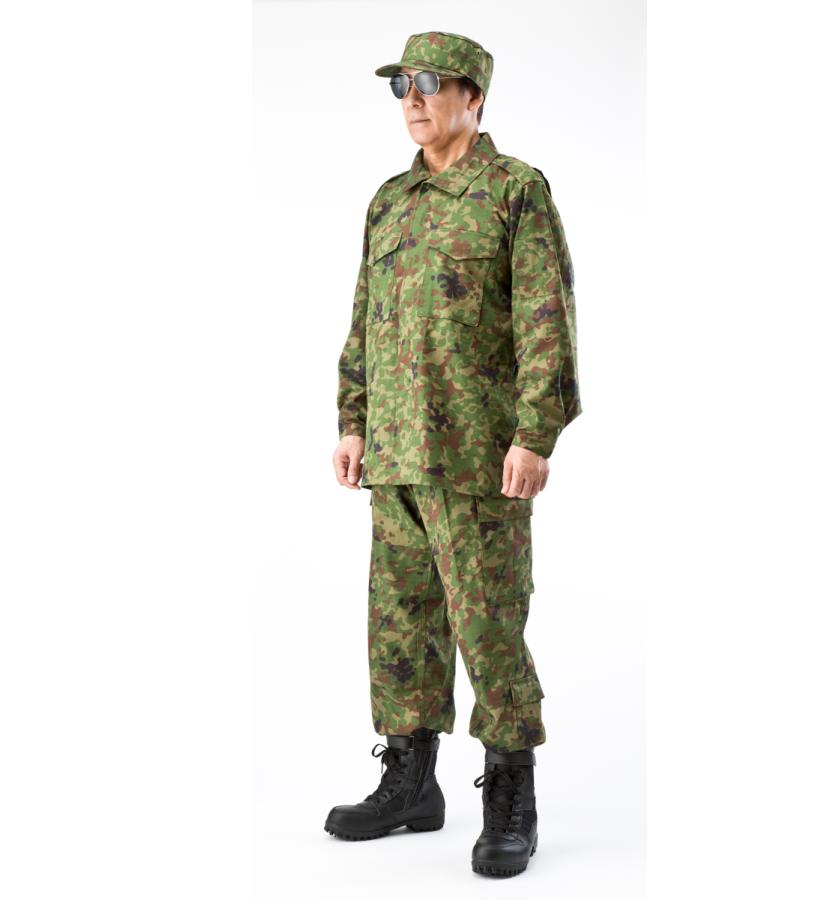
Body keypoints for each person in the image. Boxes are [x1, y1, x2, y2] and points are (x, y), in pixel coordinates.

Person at [326, 30, 582, 877]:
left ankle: (511, 798)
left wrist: (535, 433)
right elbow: (364, 321)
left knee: (489, 627)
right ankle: (410, 783)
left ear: (473, 96)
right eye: (402, 82)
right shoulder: (389, 202)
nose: (412, 97)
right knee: (401, 624)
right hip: (395, 454)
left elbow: (546, 319)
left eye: (430, 82)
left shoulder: (514, 191)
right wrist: (353, 420)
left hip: (476, 457)